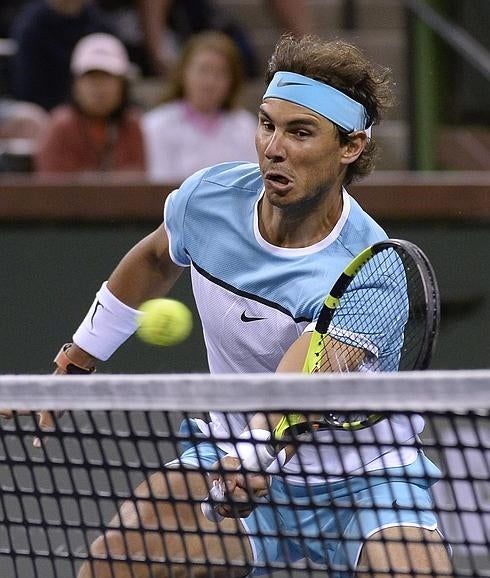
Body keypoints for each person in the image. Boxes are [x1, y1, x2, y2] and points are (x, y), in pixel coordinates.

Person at [41, 34, 452, 577]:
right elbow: (156, 260)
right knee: (114, 563)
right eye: (267, 124)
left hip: (365, 479)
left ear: (349, 147)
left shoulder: (372, 268)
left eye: (300, 132)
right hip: (231, 452)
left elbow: (299, 381)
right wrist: (77, 361)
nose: (273, 147)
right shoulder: (207, 200)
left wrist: (256, 452)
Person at [142, 30, 257, 183]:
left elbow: (252, 183)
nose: (210, 82)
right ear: (184, 73)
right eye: (203, 70)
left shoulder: (245, 126)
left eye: (220, 73)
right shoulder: (156, 124)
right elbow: (157, 181)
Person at [35, 32, 146, 175]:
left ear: (122, 85)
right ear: (76, 84)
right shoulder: (61, 126)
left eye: (107, 78)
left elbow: (139, 179)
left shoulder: (132, 125)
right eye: (91, 78)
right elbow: (51, 185)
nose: (99, 88)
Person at [9, 0, 113, 111]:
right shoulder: (30, 25)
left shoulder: (99, 23)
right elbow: (28, 88)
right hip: (45, 110)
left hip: (93, 110)